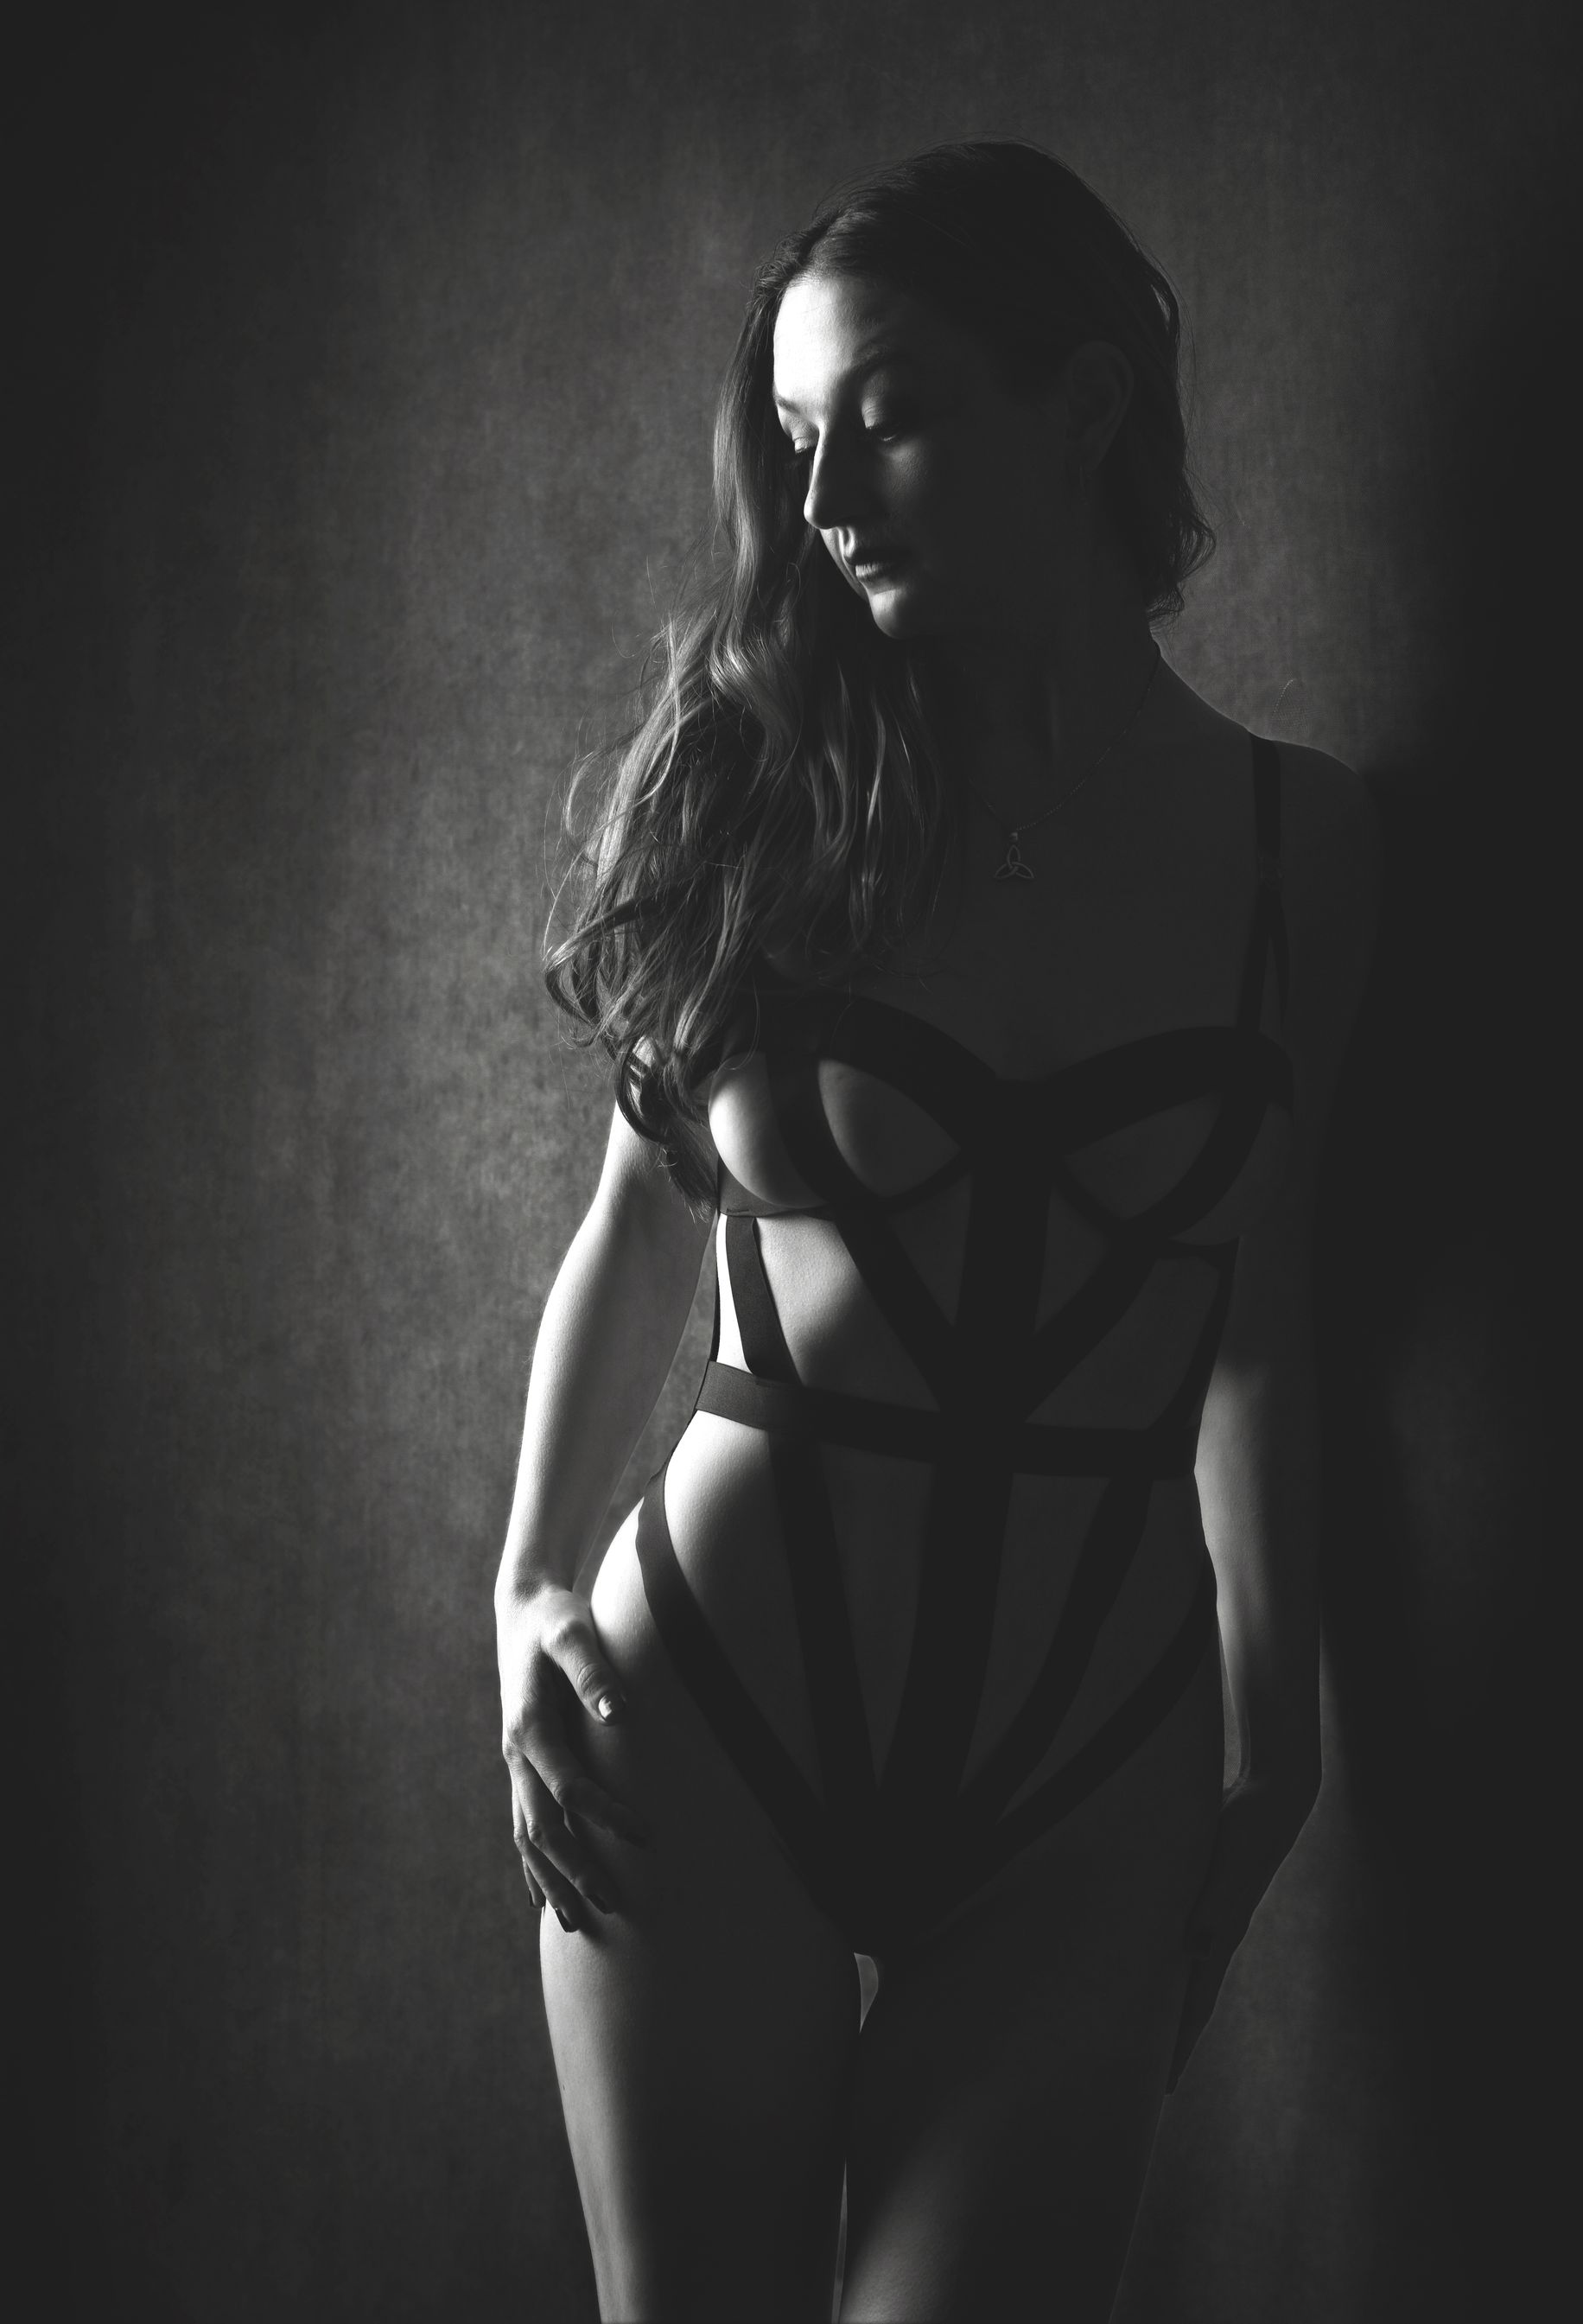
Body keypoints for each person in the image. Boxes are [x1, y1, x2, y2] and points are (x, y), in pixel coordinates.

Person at [494, 138, 1379, 2323]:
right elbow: (636, 1219)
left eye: (885, 416)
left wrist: (1282, 1715)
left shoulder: (1305, 854)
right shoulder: (760, 782)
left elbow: (1259, 1309)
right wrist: (521, 1575)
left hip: (1091, 1767)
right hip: (709, 1721)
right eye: (796, 441)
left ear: (1082, 407)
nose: (824, 504)